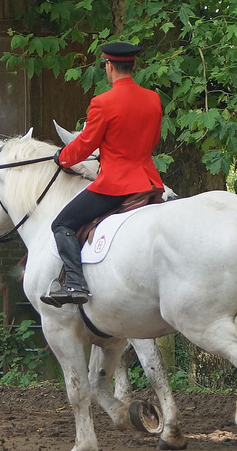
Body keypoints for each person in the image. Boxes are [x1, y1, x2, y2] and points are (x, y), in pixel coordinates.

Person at [41, 42, 164, 307]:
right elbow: (153, 140)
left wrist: (61, 157)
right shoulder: (153, 99)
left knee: (61, 224)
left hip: (116, 185)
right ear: (133, 65)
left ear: (109, 67)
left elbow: (86, 144)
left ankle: (75, 282)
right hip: (150, 182)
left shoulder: (103, 102)